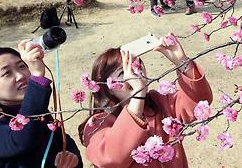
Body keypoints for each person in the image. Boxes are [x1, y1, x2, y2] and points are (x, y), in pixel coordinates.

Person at [79, 34, 213, 168]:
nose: (134, 74)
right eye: (122, 73)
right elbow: (111, 159)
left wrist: (182, 62)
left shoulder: (160, 102)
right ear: (105, 88)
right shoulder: (96, 125)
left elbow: (200, 103)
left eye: (137, 66)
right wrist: (138, 96)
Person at [0, 42, 82, 168]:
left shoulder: (37, 111)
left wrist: (71, 158)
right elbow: (21, 140)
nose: (20, 76)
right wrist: (37, 77)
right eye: (7, 73)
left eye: (21, 66)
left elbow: (61, 141)